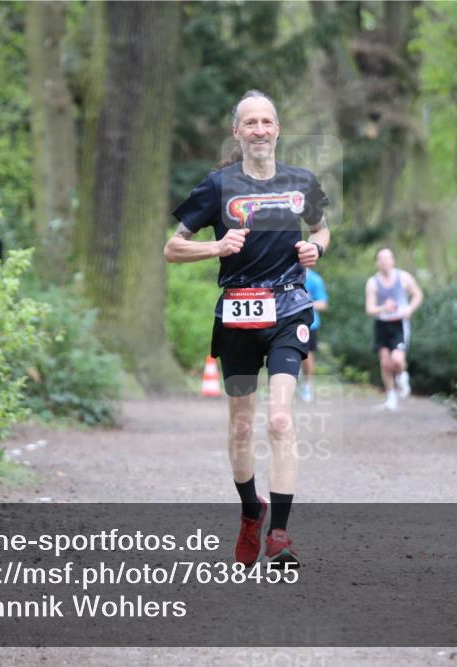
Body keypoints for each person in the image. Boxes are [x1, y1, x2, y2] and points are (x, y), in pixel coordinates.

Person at [164, 90, 330, 568]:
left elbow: (320, 228)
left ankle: (280, 534)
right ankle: (250, 512)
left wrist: (315, 248)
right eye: (249, 122)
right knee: (240, 427)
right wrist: (215, 249)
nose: (259, 129)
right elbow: (172, 249)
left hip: (288, 310)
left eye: (267, 121)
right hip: (237, 316)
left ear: (278, 129)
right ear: (237, 132)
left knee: (279, 419)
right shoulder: (217, 186)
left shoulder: (301, 182)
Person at [365, 247, 423, 411]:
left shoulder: (404, 277)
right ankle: (391, 397)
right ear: (377, 262)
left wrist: (409, 309)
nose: (384, 261)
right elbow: (370, 309)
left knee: (397, 360)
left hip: (399, 324)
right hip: (382, 324)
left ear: (393, 260)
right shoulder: (372, 282)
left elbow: (418, 294)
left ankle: (402, 376)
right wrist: (384, 307)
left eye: (387, 258)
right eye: (380, 258)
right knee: (385, 363)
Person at [298, 268, 327, 403]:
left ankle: (307, 385)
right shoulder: (286, 275)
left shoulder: (315, 279)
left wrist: (306, 303)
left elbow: (323, 304)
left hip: (310, 324)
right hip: (289, 322)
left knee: (307, 356)